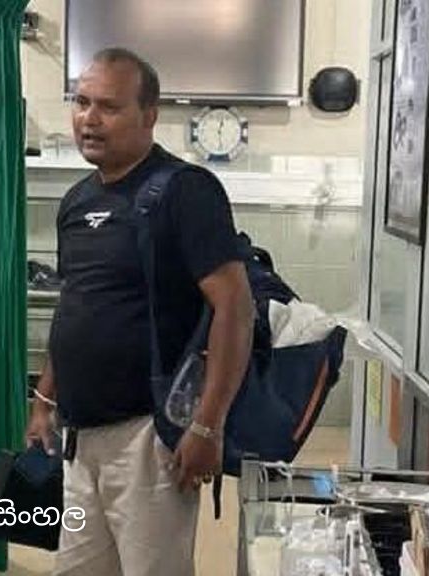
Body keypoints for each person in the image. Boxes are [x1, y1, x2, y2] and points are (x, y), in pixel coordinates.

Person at [23, 47, 255, 576]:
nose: (89, 119)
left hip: (148, 436)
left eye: (108, 106)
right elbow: (76, 305)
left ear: (149, 115)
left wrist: (207, 427)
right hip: (79, 436)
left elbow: (234, 309)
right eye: (82, 102)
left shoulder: (185, 191)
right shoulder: (76, 202)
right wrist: (44, 400)